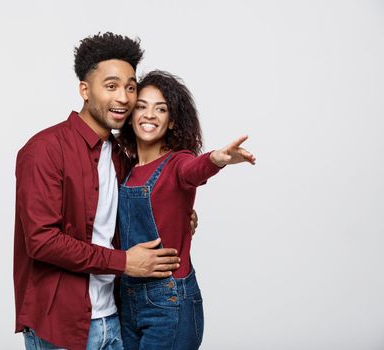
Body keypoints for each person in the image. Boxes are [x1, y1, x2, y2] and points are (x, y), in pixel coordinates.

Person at [14, 33, 195, 350]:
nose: (124, 98)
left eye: (129, 87)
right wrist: (123, 262)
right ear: (85, 89)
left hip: (117, 318)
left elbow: (128, 224)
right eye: (111, 86)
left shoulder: (121, 159)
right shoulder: (44, 150)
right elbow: (42, 241)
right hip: (61, 325)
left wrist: (175, 217)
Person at [117, 70, 256, 349]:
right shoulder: (126, 171)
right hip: (126, 297)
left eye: (161, 109)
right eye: (141, 107)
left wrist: (217, 159)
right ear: (131, 116)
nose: (149, 115)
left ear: (171, 122)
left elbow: (193, 170)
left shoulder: (177, 162)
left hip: (168, 301)